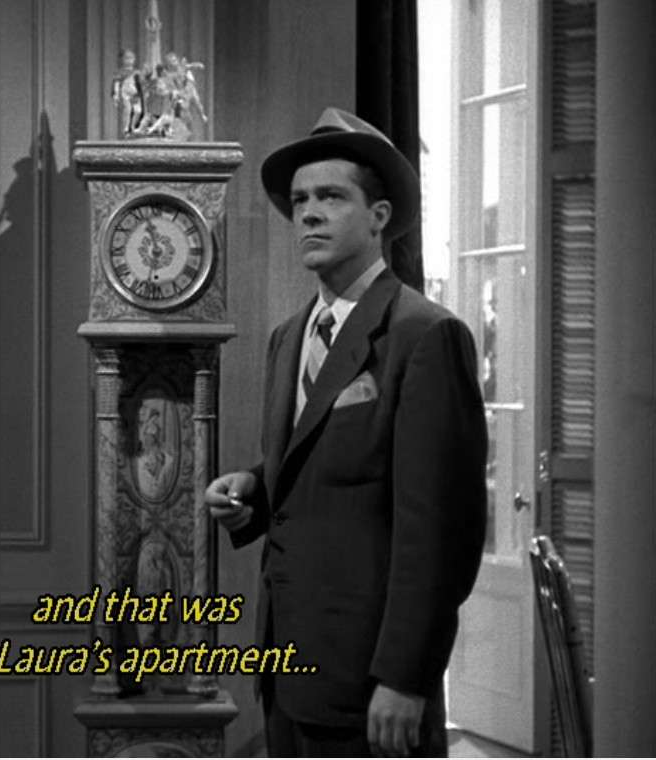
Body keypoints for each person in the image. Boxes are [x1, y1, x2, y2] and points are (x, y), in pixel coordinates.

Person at [205, 108, 487, 757]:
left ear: (379, 216)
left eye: (330, 197)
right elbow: (317, 467)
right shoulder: (289, 336)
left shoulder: (424, 335)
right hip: (287, 666)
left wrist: (405, 677)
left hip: (371, 683)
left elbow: (441, 532)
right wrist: (251, 488)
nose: (308, 213)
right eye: (300, 200)